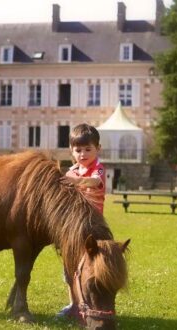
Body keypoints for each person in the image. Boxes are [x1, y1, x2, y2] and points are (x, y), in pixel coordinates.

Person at [57, 123, 106, 319]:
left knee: (91, 268)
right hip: (72, 228)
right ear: (71, 151)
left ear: (98, 149)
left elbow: (94, 182)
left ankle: (92, 304)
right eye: (78, 150)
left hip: (93, 227)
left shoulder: (98, 169)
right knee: (69, 269)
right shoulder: (71, 171)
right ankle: (73, 304)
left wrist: (75, 181)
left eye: (88, 149)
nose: (83, 154)